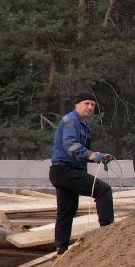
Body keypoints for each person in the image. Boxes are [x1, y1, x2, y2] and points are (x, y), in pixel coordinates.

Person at [49, 90, 114, 255]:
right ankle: (109, 233)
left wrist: (97, 157)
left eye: (93, 105)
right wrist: (92, 155)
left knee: (67, 211)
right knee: (103, 190)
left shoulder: (83, 125)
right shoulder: (72, 121)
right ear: (77, 105)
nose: (90, 107)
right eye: (86, 103)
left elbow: (81, 152)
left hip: (61, 172)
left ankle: (61, 249)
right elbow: (71, 146)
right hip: (65, 171)